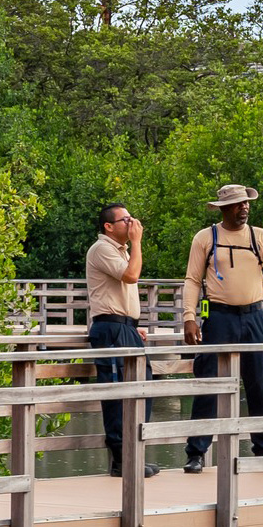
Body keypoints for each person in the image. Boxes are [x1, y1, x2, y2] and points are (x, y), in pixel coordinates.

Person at [180, 183, 263, 474]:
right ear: (223, 208)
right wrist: (189, 316)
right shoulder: (205, 237)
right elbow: (193, 280)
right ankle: (196, 452)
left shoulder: (261, 236)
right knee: (209, 384)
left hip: (254, 317)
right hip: (219, 317)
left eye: (246, 203)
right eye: (237, 204)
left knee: (259, 383)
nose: (243, 207)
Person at [85, 201, 159, 479]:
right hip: (110, 329)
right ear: (109, 226)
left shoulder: (121, 251)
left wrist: (132, 325)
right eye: (125, 220)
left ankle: (134, 453)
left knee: (143, 388)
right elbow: (131, 276)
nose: (132, 224)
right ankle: (120, 459)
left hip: (125, 329)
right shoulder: (102, 248)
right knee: (117, 394)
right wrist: (137, 243)